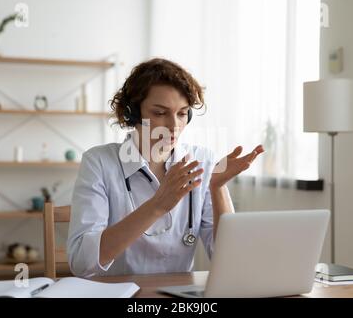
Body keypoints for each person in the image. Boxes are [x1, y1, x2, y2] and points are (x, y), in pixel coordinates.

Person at [67, 58, 264, 278]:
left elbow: (231, 263)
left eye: (182, 113)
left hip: (178, 297)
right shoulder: (99, 162)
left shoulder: (203, 161)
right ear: (132, 113)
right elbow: (81, 263)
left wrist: (217, 188)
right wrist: (157, 206)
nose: (174, 126)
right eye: (160, 113)